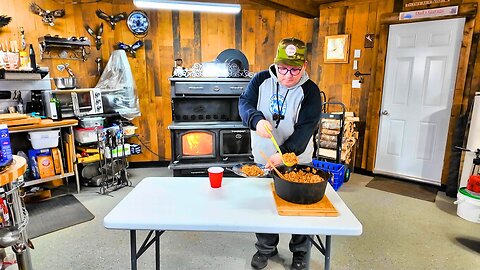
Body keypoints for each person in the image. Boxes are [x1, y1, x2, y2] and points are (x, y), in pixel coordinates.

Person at [238, 38, 322, 270]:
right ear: (276, 64)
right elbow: (244, 103)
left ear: (304, 65)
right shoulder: (260, 80)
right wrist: (255, 120)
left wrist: (284, 154)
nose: (287, 75)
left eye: (294, 69)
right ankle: (266, 248)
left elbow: (306, 129)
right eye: (283, 68)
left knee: (300, 209)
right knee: (264, 205)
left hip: (297, 159)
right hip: (263, 159)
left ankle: (300, 253)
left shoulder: (311, 91)